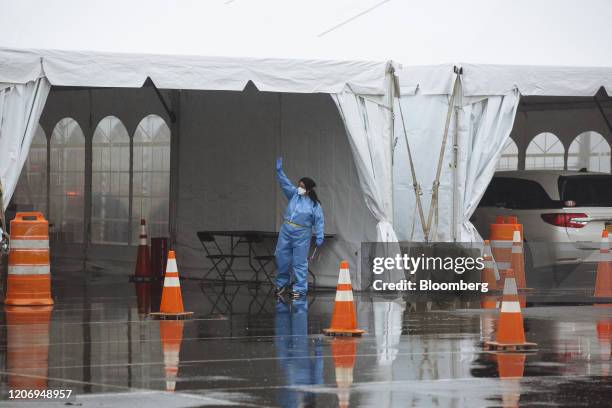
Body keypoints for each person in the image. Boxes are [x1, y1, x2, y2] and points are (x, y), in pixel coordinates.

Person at [274, 157, 324, 300]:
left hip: (302, 233)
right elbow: (285, 184)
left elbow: (319, 221)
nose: (299, 188)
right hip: (286, 229)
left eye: (302, 186)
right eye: (299, 185)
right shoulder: (294, 194)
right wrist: (280, 172)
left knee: (299, 261)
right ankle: (282, 284)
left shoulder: (314, 205)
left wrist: (319, 236)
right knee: (281, 256)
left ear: (308, 190)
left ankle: (300, 288)